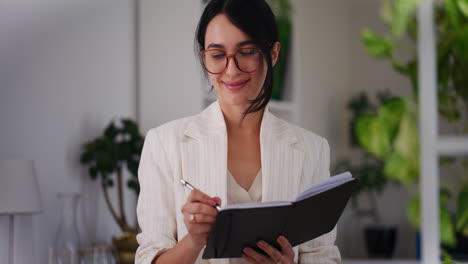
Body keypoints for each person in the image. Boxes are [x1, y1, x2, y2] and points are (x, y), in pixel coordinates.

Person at [135, 0, 341, 263]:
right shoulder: (163, 144)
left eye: (247, 52)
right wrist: (194, 240)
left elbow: (324, 257)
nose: (231, 70)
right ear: (204, 57)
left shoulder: (312, 149)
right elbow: (148, 257)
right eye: (218, 55)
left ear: (273, 53)